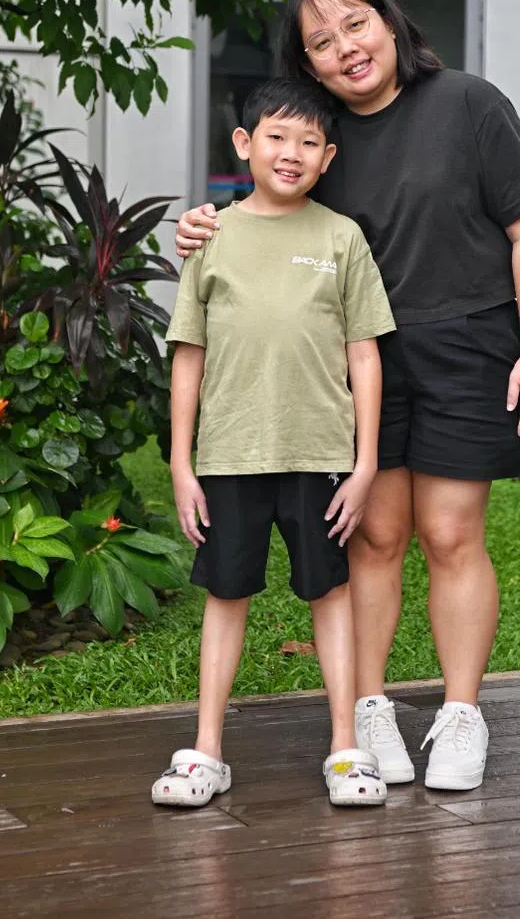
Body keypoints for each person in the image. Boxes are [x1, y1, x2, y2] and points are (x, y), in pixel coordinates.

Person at [174, 0, 520, 793]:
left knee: (451, 535)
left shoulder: (470, 104)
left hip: (469, 343)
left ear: (387, 23)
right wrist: (203, 221)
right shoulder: (320, 138)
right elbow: (269, 208)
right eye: (321, 43)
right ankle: (371, 707)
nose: (345, 48)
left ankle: (460, 714)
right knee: (374, 535)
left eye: (355, 25)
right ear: (307, 65)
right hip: (359, 359)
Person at [152, 78, 397, 809]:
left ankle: (346, 750)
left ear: (328, 156)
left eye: (308, 143)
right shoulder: (212, 235)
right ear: (245, 145)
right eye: (276, 137)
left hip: (321, 454)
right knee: (226, 596)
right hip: (229, 456)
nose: (291, 154)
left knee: (330, 592)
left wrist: (366, 462)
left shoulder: (340, 237)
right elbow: (187, 354)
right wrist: (180, 460)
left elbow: (364, 354)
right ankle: (206, 752)